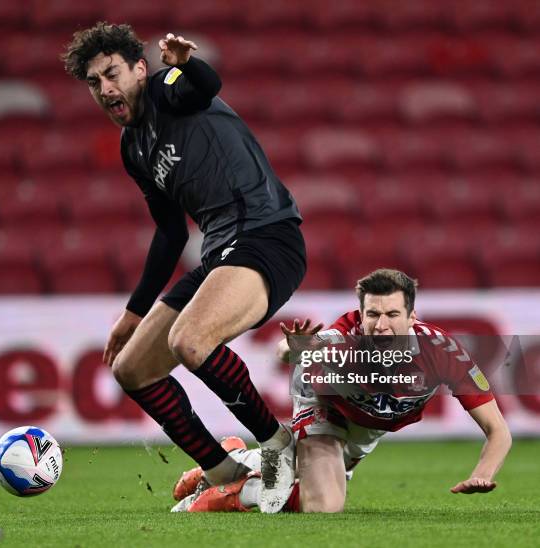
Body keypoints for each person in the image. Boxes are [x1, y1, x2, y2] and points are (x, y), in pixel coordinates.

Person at [62, 22, 306, 513]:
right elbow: (171, 233)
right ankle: (224, 474)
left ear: (138, 69)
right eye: (94, 82)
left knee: (190, 341)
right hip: (220, 254)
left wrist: (184, 64)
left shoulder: (166, 90)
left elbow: (204, 86)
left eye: (112, 74)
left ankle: (280, 445)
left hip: (266, 236)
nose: (106, 89)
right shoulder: (134, 148)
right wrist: (133, 312)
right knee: (132, 369)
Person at [172, 269, 512, 512]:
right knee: (324, 505)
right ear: (360, 315)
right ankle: (230, 493)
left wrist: (481, 476)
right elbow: (285, 352)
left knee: (307, 481)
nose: (381, 325)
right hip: (325, 406)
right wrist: (295, 347)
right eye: (372, 314)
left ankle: (239, 458)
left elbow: (498, 431)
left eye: (393, 314)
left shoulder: (443, 352)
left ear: (412, 317)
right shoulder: (342, 341)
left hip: (367, 427)